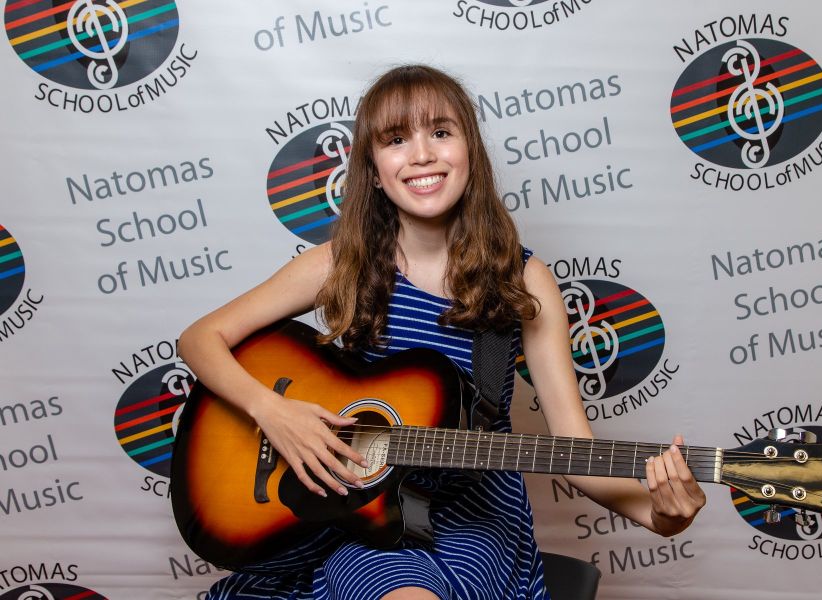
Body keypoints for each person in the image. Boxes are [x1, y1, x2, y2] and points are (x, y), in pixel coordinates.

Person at [177, 64, 706, 600]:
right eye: (397, 139)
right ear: (374, 169)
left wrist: (661, 515)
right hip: (368, 517)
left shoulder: (522, 281)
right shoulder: (341, 265)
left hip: (476, 522)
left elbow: (577, 452)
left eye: (441, 132)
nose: (422, 154)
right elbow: (200, 339)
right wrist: (275, 412)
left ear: (469, 150)